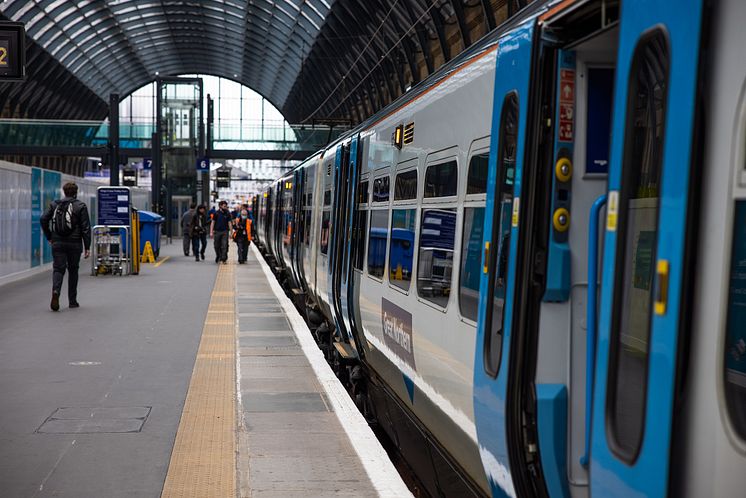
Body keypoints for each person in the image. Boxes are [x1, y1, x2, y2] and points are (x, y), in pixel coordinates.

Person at [40, 181, 91, 311]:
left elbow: (43, 219)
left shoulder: (54, 205)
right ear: (76, 192)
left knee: (58, 269)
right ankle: (72, 301)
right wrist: (87, 247)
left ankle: (56, 291)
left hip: (57, 242)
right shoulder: (80, 206)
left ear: (64, 191)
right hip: (74, 244)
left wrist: (49, 236)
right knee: (73, 270)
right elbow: (85, 228)